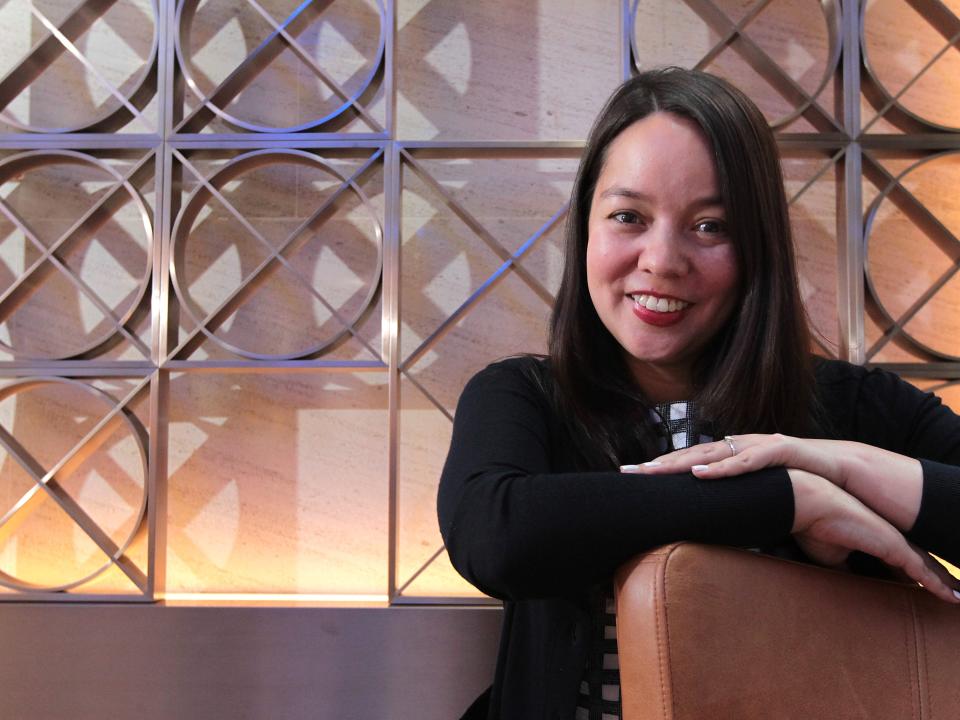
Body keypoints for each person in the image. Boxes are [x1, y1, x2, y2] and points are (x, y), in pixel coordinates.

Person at [437, 67, 960, 720]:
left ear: (757, 247)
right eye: (629, 216)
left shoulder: (857, 405)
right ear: (586, 229)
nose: (662, 259)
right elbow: (497, 535)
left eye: (710, 226)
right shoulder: (523, 395)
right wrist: (787, 501)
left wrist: (841, 466)